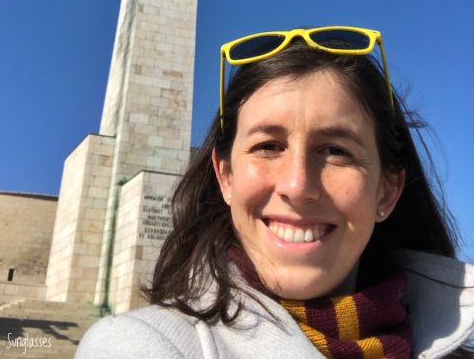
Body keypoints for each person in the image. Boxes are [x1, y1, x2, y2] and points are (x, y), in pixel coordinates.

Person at [76, 26, 474, 358]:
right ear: (226, 176)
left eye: (335, 151)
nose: (297, 186)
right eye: (268, 146)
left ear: (387, 191)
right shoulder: (142, 347)